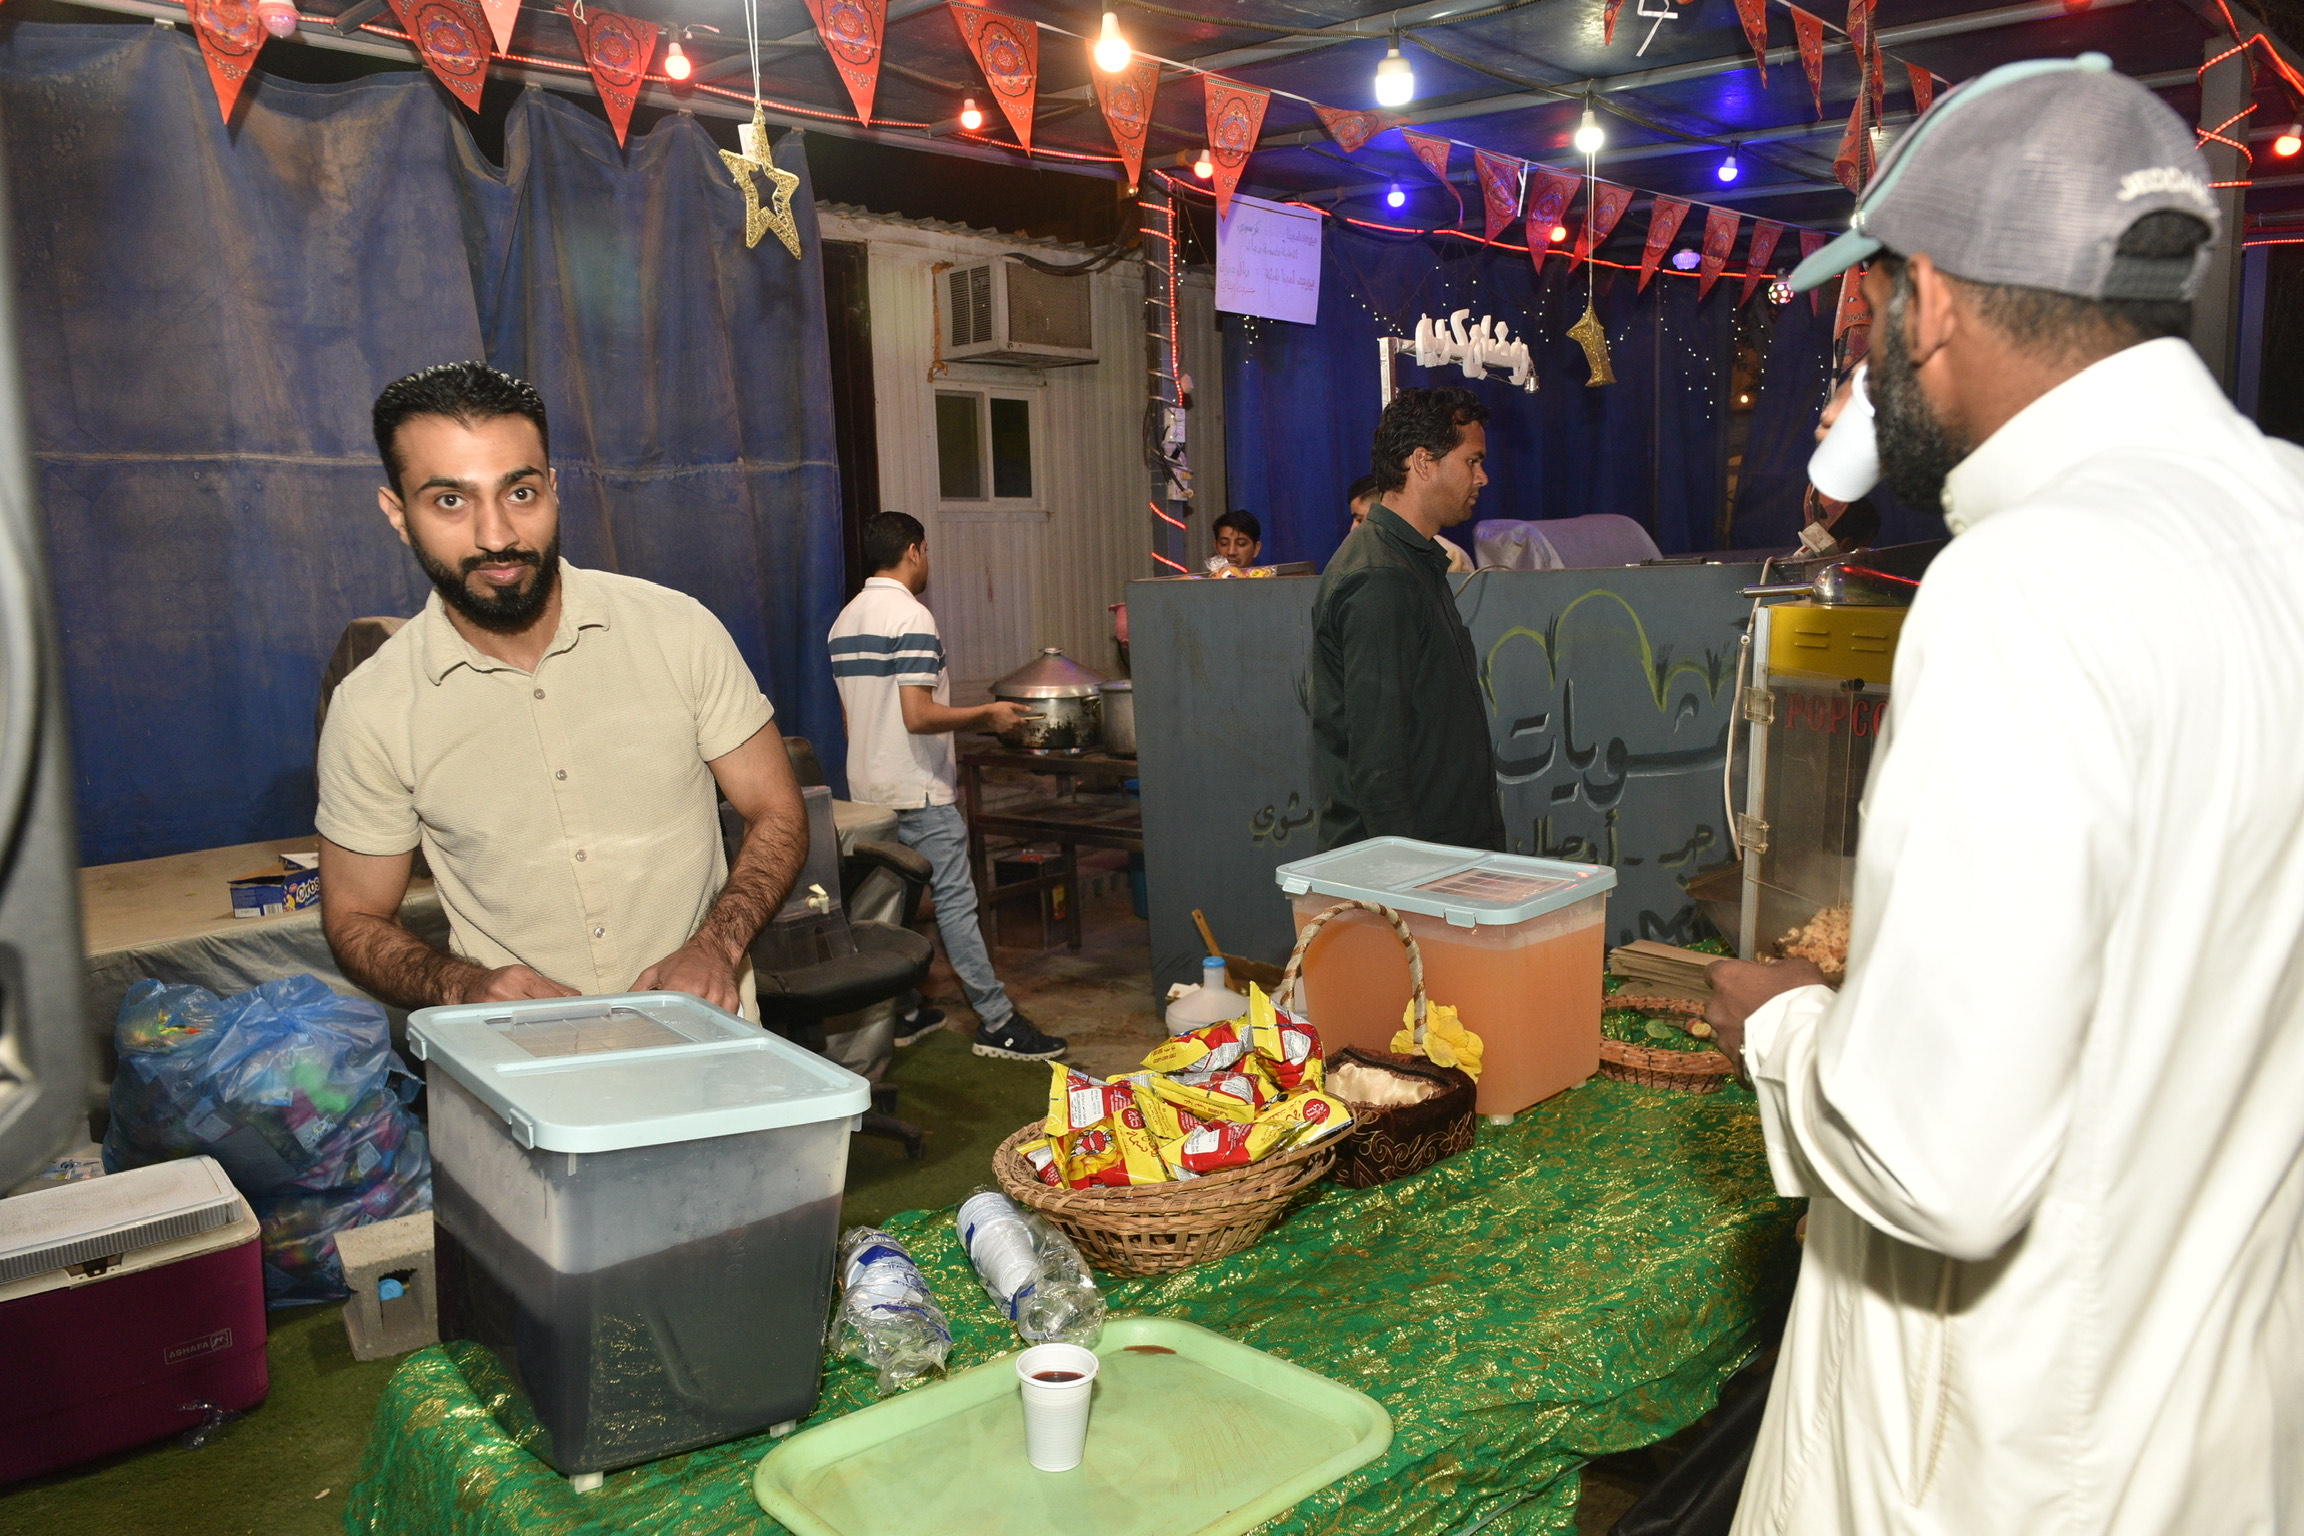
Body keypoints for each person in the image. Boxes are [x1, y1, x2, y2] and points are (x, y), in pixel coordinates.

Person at [1707, 57, 2304, 1535]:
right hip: (2225, 1447)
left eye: (1872, 308)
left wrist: (1781, 1027)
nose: (1870, 351)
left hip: (2006, 1469)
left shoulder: (2025, 586)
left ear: (1932, 301)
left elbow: (1939, 1161)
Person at [316, 362, 808, 1017]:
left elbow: (777, 811)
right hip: (515, 1066)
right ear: (399, 514)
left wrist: (718, 945)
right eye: (450, 501)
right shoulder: (371, 708)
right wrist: (463, 986)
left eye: (519, 493)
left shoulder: (677, 631)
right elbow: (354, 918)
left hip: (710, 1040)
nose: (496, 536)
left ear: (552, 489)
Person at [827, 512, 1068, 1062]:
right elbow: (917, 715)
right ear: (914, 550)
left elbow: (851, 718)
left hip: (867, 790)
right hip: (918, 789)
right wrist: (988, 714)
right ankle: (997, 1022)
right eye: (927, 552)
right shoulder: (912, 616)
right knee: (956, 905)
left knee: (888, 909)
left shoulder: (844, 621)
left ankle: (904, 1011)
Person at [1310, 386, 1505, 853]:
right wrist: (1407, 878)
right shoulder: (1381, 577)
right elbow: (1379, 763)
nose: (1482, 477)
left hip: (1442, 859)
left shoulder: (1412, 561)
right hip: (1410, 870)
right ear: (1423, 462)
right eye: (1472, 461)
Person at [1349, 470, 1472, 572]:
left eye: (1359, 519)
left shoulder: (1450, 556)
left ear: (1383, 511)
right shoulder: (1359, 560)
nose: (1353, 527)